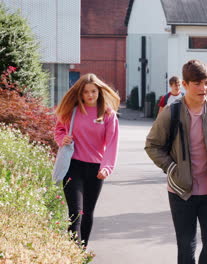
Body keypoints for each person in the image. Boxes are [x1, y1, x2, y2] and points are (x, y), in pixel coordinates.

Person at [145, 59, 207, 264]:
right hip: (180, 191)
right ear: (185, 85)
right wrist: (171, 167)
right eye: (197, 83)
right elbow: (152, 145)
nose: (203, 88)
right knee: (186, 247)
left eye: (206, 83)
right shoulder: (172, 112)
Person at [54, 73, 120, 247]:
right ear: (80, 94)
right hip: (73, 166)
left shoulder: (107, 114)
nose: (90, 95)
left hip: (96, 170)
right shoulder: (72, 111)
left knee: (88, 213)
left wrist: (107, 167)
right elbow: (59, 130)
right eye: (86, 92)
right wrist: (63, 139)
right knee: (76, 213)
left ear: (99, 91)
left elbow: (112, 143)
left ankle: (81, 252)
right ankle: (72, 254)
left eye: (93, 91)